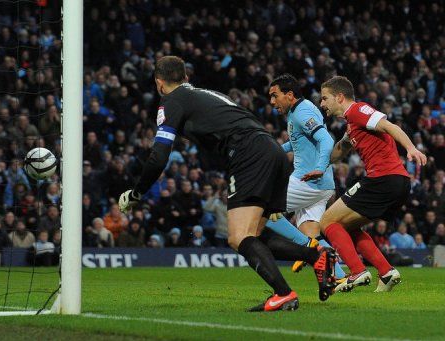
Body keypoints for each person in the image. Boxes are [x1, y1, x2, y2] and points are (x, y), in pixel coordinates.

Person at [119, 56, 336, 312]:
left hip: (248, 155)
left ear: (158, 83)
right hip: (272, 153)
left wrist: (137, 192)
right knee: (254, 234)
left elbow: (158, 157)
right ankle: (316, 255)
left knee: (238, 237)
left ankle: (284, 293)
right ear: (186, 78)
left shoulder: (171, 101)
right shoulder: (204, 94)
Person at [319, 75, 427, 292]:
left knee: (327, 222)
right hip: (395, 182)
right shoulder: (352, 125)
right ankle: (386, 272)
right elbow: (339, 152)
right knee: (346, 226)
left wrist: (411, 148)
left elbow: (389, 126)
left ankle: (357, 272)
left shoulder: (358, 110)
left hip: (383, 178)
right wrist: (317, 162)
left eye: (324, 98)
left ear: (339, 97)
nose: (322, 104)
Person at [266, 74, 346, 280]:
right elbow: (298, 142)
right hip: (321, 184)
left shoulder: (302, 112)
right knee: (310, 231)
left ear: (289, 95)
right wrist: (273, 150)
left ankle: (306, 249)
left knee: (262, 208)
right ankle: (339, 275)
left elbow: (326, 139)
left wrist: (319, 167)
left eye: (275, 96)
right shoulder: (301, 110)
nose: (272, 102)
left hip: (310, 181)